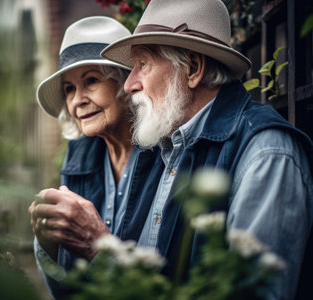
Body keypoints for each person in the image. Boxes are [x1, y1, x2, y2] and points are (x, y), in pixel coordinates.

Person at [99, 0, 313, 299]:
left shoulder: (267, 153)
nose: (129, 84)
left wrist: (96, 243)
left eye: (143, 64)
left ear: (193, 68)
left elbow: (254, 293)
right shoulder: (163, 148)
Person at [29, 16, 163, 299]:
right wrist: (47, 243)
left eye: (90, 81)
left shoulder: (166, 154)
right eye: (69, 89)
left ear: (126, 84)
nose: (77, 100)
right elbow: (66, 285)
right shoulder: (79, 156)